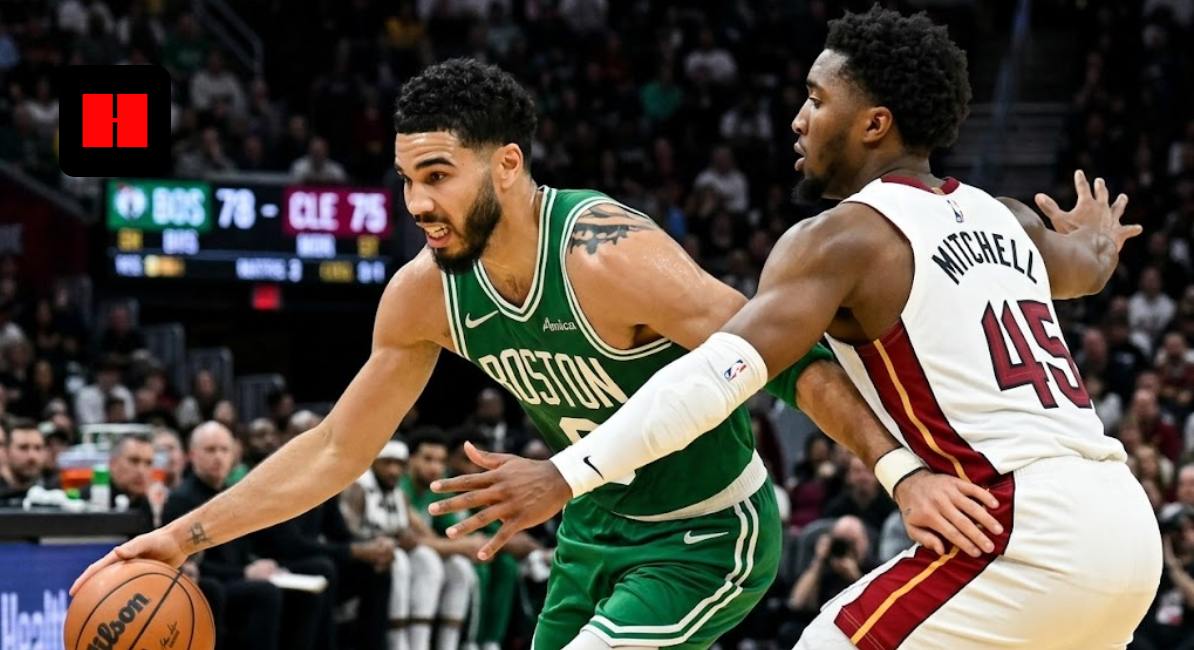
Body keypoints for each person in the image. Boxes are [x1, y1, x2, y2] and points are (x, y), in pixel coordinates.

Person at [74, 58, 1005, 650]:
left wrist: (901, 474)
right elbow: (332, 452)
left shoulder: (607, 251)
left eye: (437, 175)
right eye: (406, 180)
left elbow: (787, 354)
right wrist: (182, 537)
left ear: (508, 165)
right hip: (587, 536)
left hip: (706, 532)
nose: (417, 202)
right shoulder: (424, 294)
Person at [427, 8, 1161, 650]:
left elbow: (711, 380)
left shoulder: (844, 240)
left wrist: (566, 472)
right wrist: (1099, 240)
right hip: (1126, 528)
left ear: (875, 123)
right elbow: (1083, 267)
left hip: (1018, 529)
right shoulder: (1011, 218)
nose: (798, 120)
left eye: (816, 99)